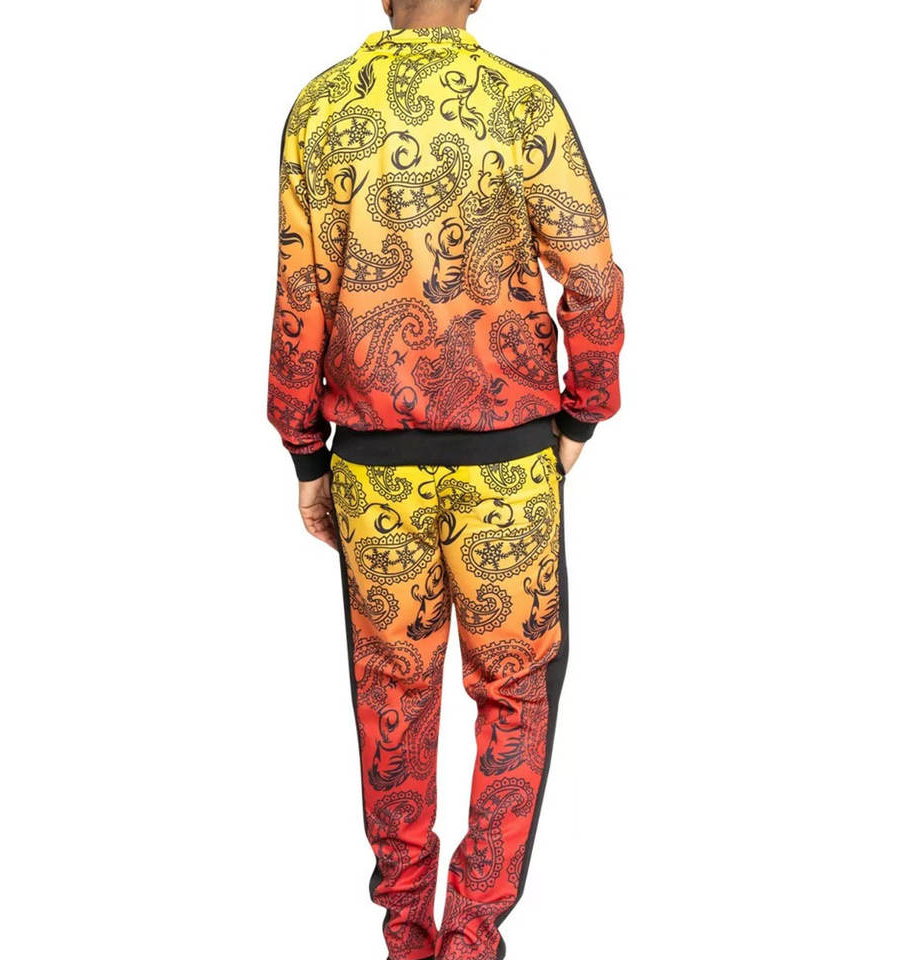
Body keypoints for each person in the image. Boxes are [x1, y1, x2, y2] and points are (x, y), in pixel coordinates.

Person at [267, 1, 624, 956]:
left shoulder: (324, 108)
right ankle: (471, 939)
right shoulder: (521, 104)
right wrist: (583, 410)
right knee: (516, 699)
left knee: (393, 702)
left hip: (373, 470)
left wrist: (306, 453)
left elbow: (300, 291)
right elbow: (591, 272)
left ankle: (405, 935)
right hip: (509, 465)